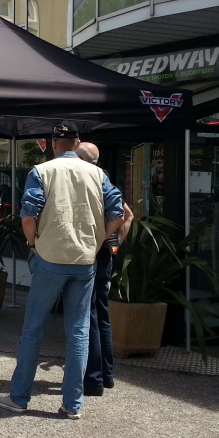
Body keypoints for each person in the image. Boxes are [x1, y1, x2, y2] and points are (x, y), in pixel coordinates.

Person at [0, 122, 124, 419]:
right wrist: (96, 242)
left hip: (51, 256)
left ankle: (19, 397)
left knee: (33, 329)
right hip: (85, 259)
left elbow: (29, 215)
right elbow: (117, 213)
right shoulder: (98, 173)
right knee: (78, 331)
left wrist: (33, 244)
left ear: (53, 143)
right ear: (77, 142)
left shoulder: (41, 172)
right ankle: (72, 404)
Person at [75, 142, 133, 395]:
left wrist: (104, 241)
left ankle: (95, 378)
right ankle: (106, 375)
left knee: (90, 315)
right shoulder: (104, 180)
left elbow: (124, 215)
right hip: (103, 253)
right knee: (100, 312)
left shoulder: (95, 181)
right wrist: (114, 243)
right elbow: (127, 215)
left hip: (94, 253)